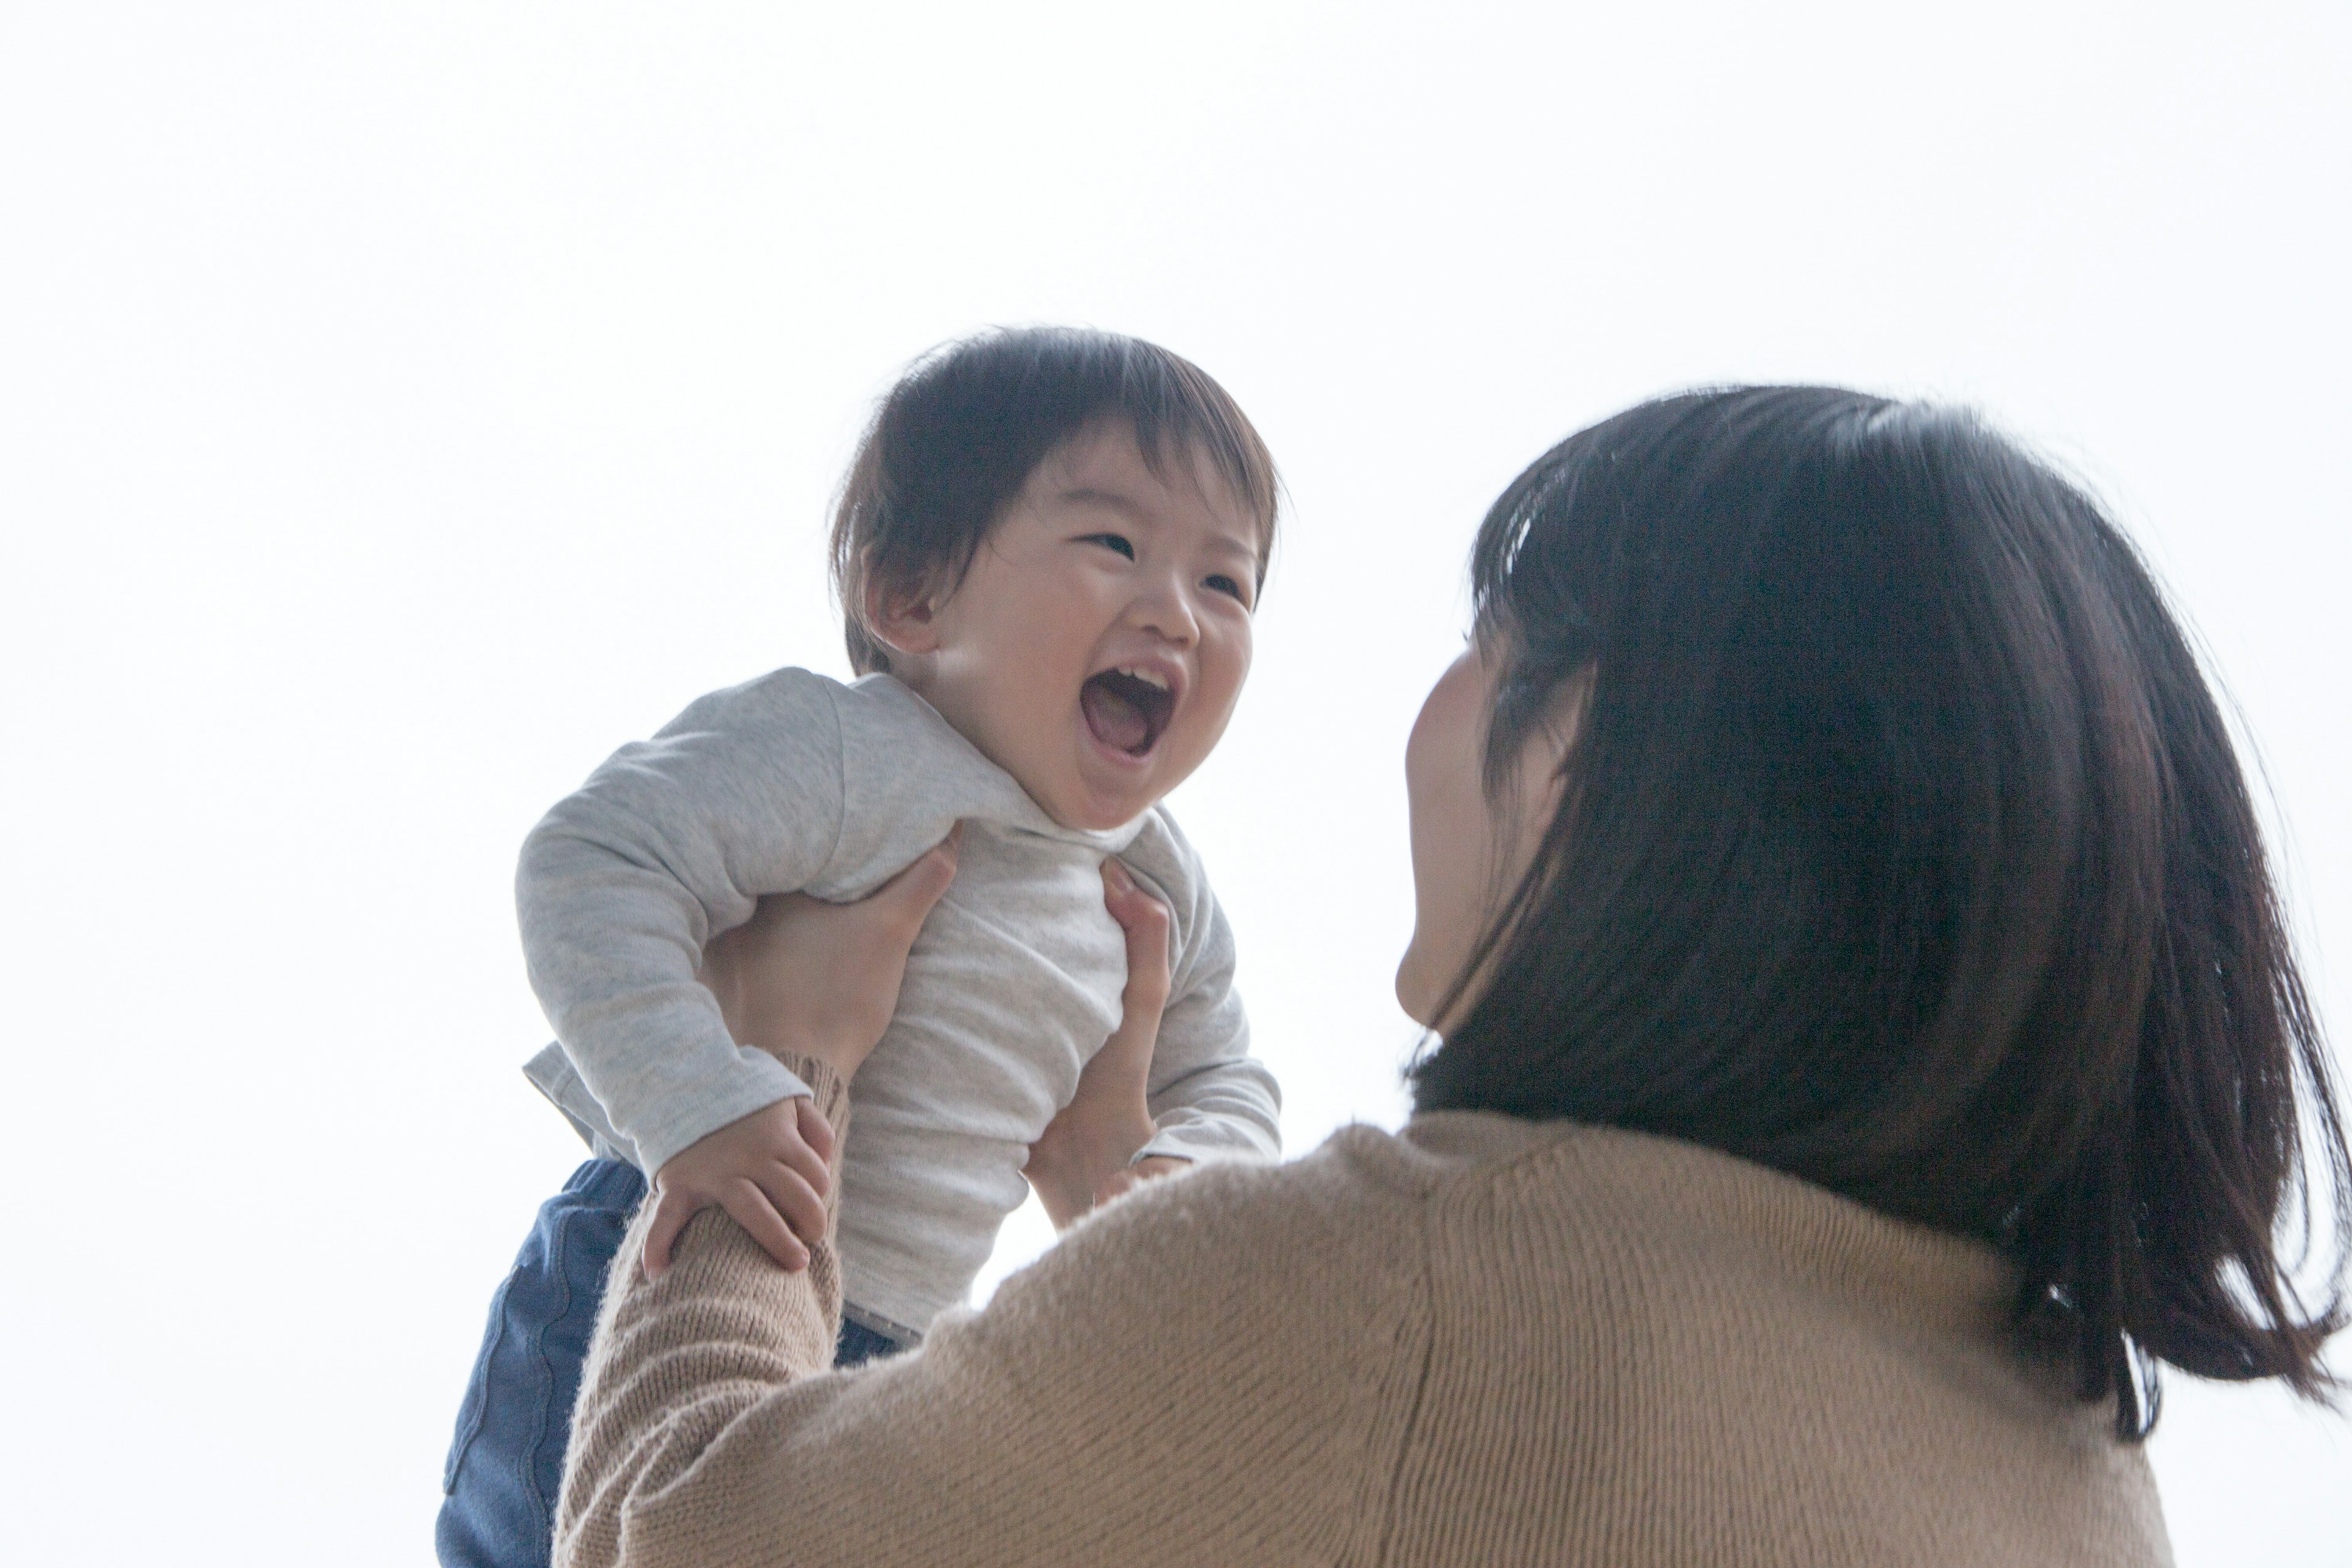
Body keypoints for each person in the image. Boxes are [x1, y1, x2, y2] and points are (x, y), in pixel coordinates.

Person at [549, 386, 2348, 1567]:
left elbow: (672, 1542)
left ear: (1601, 756)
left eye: (1490, 648)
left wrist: (782, 1069)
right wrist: (1123, 1210)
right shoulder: (2079, 1476)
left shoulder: (1379, 1295)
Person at [435, 328, 1286, 1568]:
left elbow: (1227, 1079)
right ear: (912, 595)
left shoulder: (1157, 879)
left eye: (1228, 584)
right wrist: (702, 1103)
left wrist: (1186, 1168)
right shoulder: (856, 754)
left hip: (897, 1353)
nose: (1175, 611)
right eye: (1114, 545)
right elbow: (595, 860)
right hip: (666, 1241)